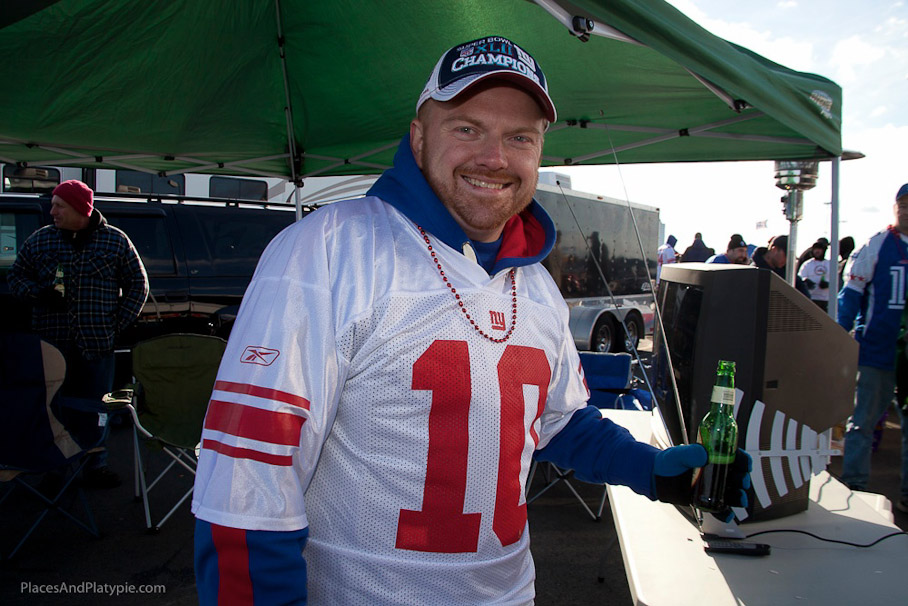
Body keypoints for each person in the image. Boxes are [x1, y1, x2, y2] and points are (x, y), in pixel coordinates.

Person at [191, 36, 751, 605]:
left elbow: (557, 421)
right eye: (467, 128)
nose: (494, 157)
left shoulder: (536, 284)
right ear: (418, 136)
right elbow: (247, 482)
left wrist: (654, 472)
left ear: (538, 154)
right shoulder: (328, 250)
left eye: (519, 138)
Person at [7, 179, 149, 488]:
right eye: (53, 204)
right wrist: (37, 294)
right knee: (52, 406)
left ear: (80, 209)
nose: (52, 211)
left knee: (97, 406)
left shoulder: (115, 241)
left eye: (59, 205)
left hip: (96, 344)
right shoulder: (40, 240)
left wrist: (115, 325)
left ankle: (95, 465)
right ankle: (54, 466)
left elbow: (139, 285)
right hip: (51, 344)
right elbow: (16, 278)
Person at [837, 183, 908, 512]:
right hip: (875, 353)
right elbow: (850, 295)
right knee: (862, 422)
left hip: (905, 360)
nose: (907, 209)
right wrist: (840, 335)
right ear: (894, 208)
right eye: (903, 204)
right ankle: (855, 487)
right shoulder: (877, 244)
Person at [797, 239, 831, 311]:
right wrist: (806, 281)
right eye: (815, 249)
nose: (817, 251)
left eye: (819, 249)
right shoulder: (807, 264)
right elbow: (800, 277)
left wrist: (828, 284)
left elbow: (837, 281)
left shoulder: (830, 264)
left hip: (826, 300)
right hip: (811, 298)